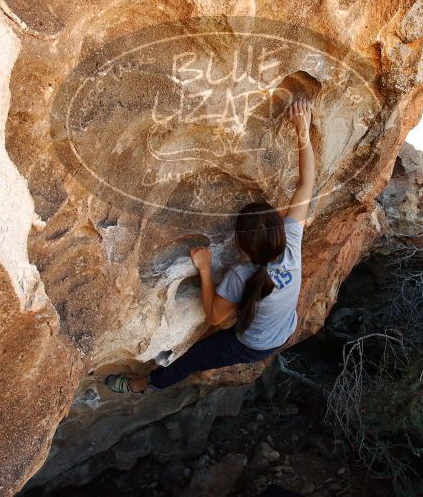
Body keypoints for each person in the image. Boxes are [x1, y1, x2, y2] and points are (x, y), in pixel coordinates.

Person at [106, 98, 316, 394]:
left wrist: (204, 269)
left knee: (190, 360)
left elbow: (215, 317)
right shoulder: (291, 243)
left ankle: (140, 385)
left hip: (253, 344)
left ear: (243, 244)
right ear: (279, 228)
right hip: (282, 330)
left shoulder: (241, 275)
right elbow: (307, 183)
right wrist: (302, 133)